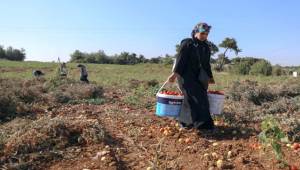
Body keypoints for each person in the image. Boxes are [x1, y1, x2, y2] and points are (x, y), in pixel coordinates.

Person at [167, 22, 215, 130]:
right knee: (191, 99)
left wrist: (210, 77)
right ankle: (187, 124)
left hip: (199, 77)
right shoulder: (188, 43)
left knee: (202, 98)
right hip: (185, 75)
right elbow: (181, 60)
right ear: (196, 32)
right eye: (202, 33)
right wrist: (174, 75)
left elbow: (206, 64)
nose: (204, 36)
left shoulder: (206, 47)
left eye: (206, 34)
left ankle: (203, 124)